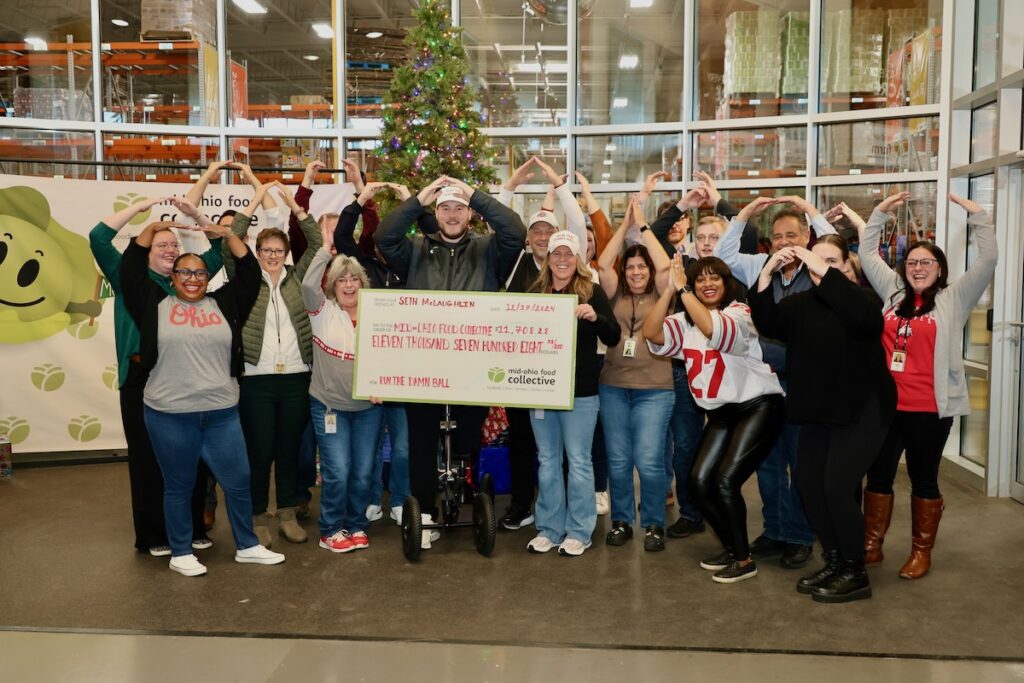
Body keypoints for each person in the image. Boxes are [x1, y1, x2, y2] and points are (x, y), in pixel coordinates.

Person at [120, 203, 284, 577]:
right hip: (169, 415)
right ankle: (181, 552)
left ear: (208, 277)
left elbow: (249, 272)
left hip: (222, 413)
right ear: (173, 277)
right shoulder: (153, 303)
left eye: (199, 273)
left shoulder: (224, 303)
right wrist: (154, 227)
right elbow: (131, 266)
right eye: (184, 272)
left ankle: (247, 545)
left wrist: (228, 235)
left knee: (238, 483)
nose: (192, 278)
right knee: (179, 485)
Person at [375, 175, 526, 549]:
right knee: (423, 442)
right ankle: (424, 512)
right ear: (436, 213)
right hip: (424, 364)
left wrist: (474, 193)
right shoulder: (413, 250)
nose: (453, 214)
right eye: (445, 208)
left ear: (470, 213)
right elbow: (382, 238)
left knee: (465, 440)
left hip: (472, 364)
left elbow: (515, 230)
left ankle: (465, 491)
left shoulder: (489, 249)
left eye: (460, 208)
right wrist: (417, 200)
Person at [748, 234, 896, 602]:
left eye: (832, 261)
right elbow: (768, 321)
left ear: (847, 267)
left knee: (836, 487)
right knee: (810, 485)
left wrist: (820, 266)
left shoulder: (863, 300)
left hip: (863, 409)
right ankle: (834, 560)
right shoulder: (802, 304)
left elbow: (864, 320)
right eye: (815, 261)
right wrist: (767, 273)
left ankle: (855, 570)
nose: (820, 268)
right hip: (818, 411)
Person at [858, 192, 998, 579]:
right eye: (913, 262)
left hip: (930, 410)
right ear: (905, 267)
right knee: (879, 474)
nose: (919, 268)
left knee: (923, 477)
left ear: (940, 268)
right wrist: (881, 214)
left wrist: (979, 217)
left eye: (927, 262)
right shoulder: (892, 291)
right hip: (887, 408)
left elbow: (987, 261)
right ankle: (872, 544)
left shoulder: (954, 298)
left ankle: (921, 552)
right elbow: (868, 254)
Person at [89, 180, 225, 557]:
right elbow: (99, 237)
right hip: (140, 379)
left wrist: (195, 217)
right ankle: (153, 535)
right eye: (162, 244)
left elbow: (217, 249)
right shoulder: (127, 276)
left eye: (174, 245)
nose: (170, 249)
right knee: (147, 459)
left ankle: (196, 527)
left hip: (185, 376)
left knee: (191, 456)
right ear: (147, 249)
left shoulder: (187, 282)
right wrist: (145, 209)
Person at [714, 194, 838, 569]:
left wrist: (811, 211)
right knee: (767, 462)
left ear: (807, 238)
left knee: (799, 465)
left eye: (793, 235)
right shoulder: (759, 267)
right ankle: (775, 530)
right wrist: (746, 214)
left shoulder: (819, 272)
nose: (786, 242)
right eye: (779, 237)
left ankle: (799, 535)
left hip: (805, 385)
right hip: (764, 385)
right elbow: (724, 255)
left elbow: (834, 246)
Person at [644, 254, 784, 583]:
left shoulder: (740, 314)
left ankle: (744, 560)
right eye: (701, 279)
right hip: (722, 414)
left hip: (758, 405)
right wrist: (669, 290)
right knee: (697, 482)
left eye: (715, 278)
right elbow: (651, 333)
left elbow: (714, 330)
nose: (708, 284)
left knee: (724, 482)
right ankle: (736, 548)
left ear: (726, 283)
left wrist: (685, 290)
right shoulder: (685, 322)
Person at [225, 181, 323, 548]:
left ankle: (286, 513)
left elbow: (315, 244)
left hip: (296, 379)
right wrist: (252, 201)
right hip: (256, 380)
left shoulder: (298, 279)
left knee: (288, 450)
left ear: (285, 252)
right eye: (265, 249)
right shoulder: (246, 279)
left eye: (278, 250)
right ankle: (256, 516)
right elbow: (229, 240)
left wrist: (297, 210)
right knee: (259, 451)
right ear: (257, 250)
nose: (272, 255)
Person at [498, 157, 587, 532]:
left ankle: (564, 509)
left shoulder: (568, 265)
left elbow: (579, 226)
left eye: (547, 232)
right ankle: (522, 505)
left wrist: (559, 187)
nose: (540, 236)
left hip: (561, 374)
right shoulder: (512, 262)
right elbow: (499, 222)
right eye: (535, 231)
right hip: (521, 374)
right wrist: (509, 188)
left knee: (562, 453)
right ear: (528, 237)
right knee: (521, 443)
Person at [525, 230, 620, 556]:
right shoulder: (535, 292)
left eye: (568, 254)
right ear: (548, 258)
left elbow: (613, 335)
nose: (562, 259)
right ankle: (549, 528)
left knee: (579, 461)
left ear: (577, 259)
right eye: (556, 253)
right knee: (548, 460)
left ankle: (580, 530)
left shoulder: (590, 291)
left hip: (579, 390)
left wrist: (595, 317)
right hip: (540, 388)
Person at [596, 194, 675, 552]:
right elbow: (602, 264)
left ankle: (655, 523)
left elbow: (664, 268)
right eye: (631, 267)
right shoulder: (613, 296)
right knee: (618, 459)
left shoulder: (663, 295)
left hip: (655, 389)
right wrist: (623, 226)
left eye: (641, 267)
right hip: (613, 387)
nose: (637, 272)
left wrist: (642, 225)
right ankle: (622, 521)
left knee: (648, 459)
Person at [302, 218, 384, 554]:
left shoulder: (378, 315)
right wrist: (324, 250)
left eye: (355, 279)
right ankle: (331, 530)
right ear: (333, 286)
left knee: (364, 473)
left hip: (368, 409)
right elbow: (308, 285)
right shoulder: (322, 313)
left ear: (363, 284)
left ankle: (356, 525)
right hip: (330, 407)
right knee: (338, 472)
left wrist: (385, 385)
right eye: (342, 280)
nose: (349, 285)